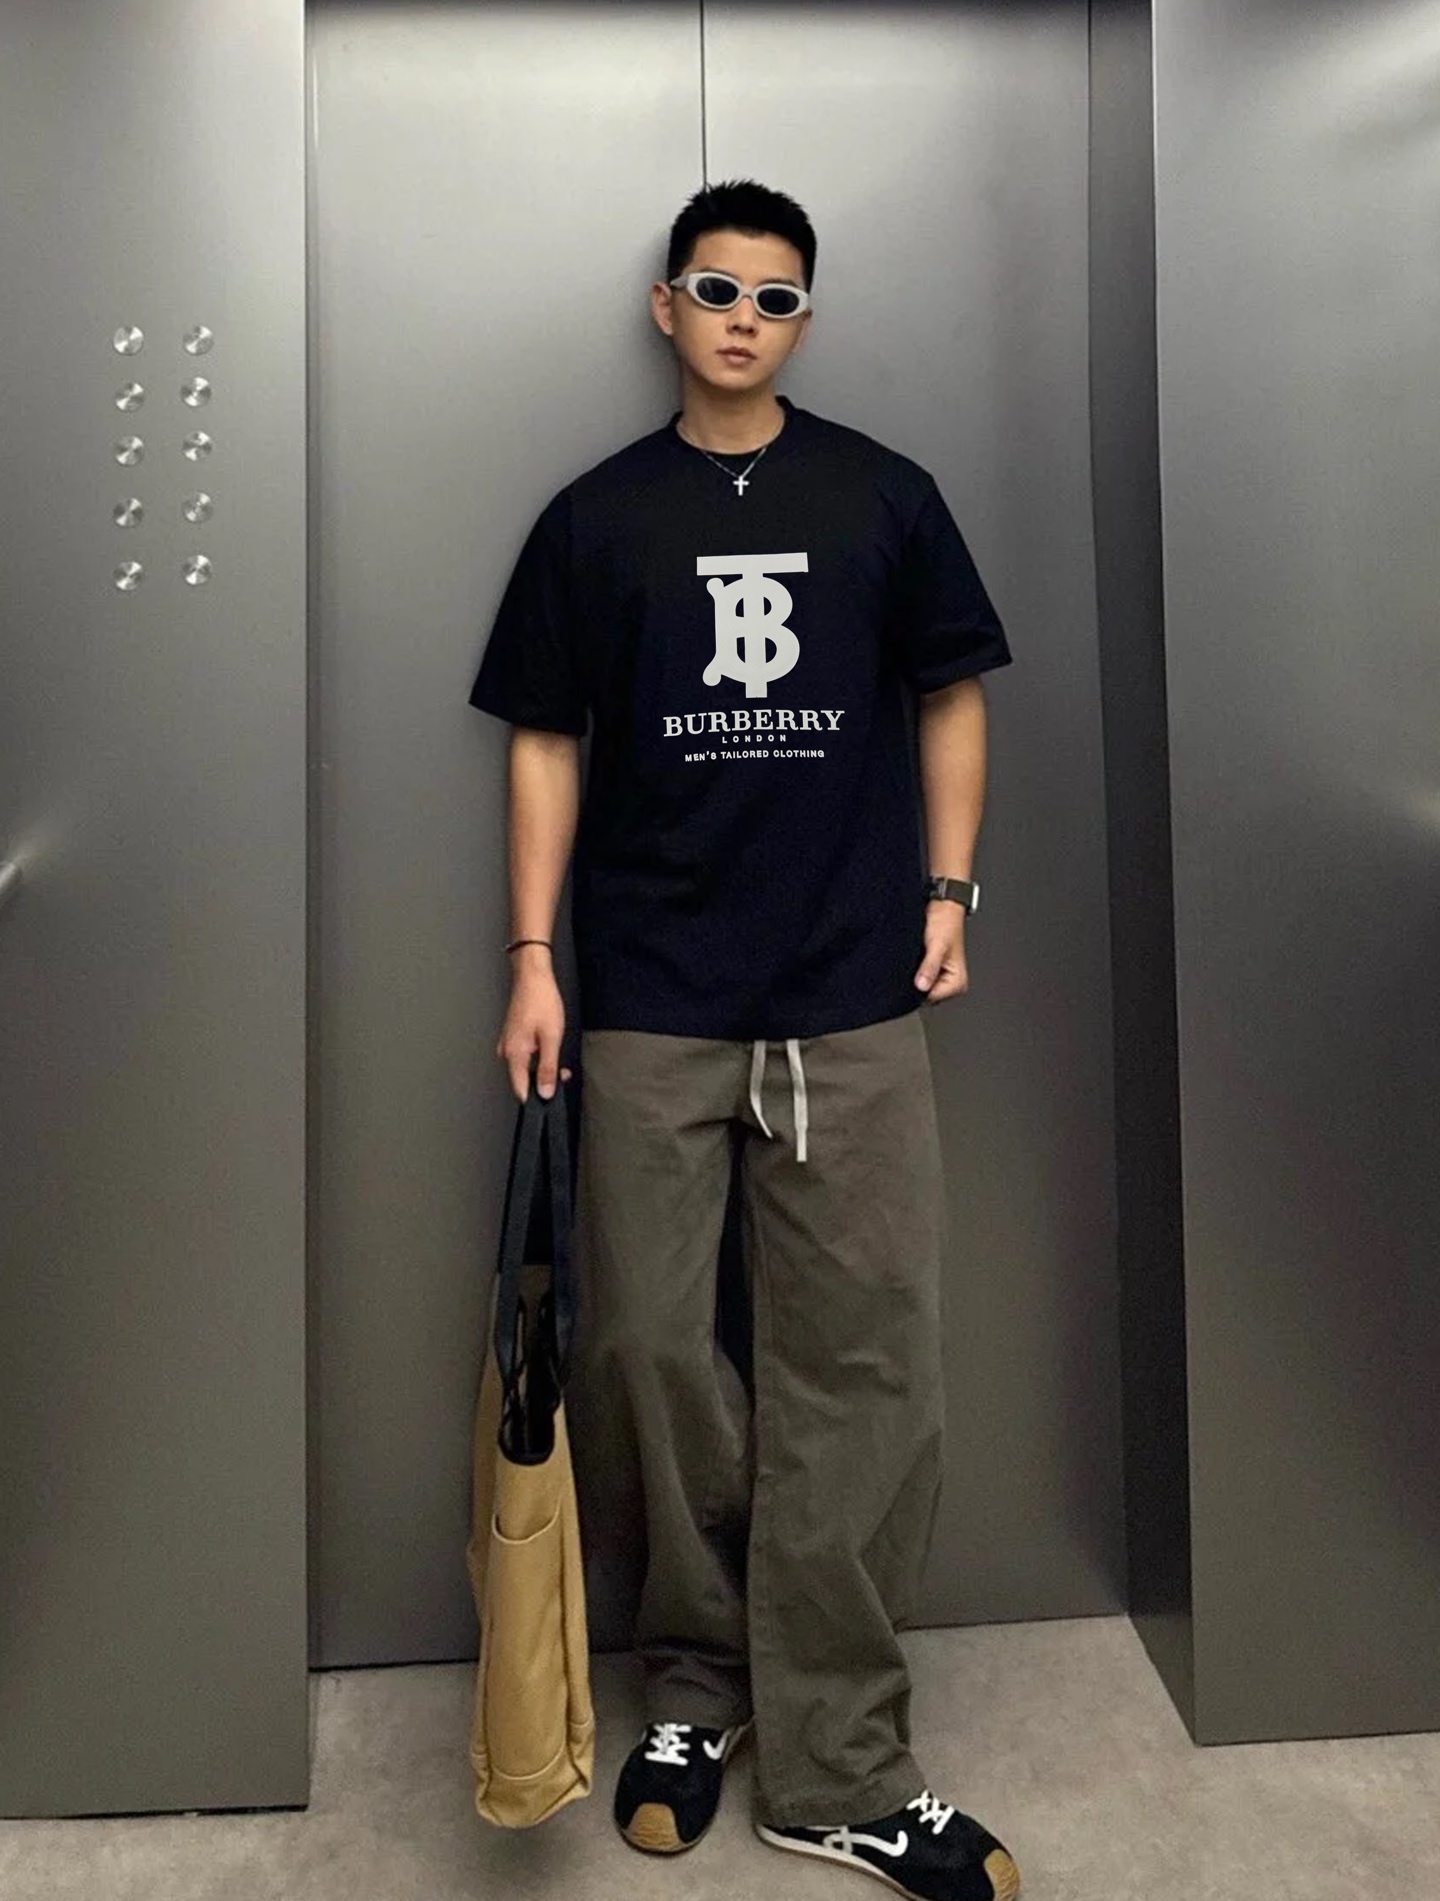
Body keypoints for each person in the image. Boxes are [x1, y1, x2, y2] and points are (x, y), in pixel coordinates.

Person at [468, 179, 1018, 1901]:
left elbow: (951, 689)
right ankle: (696, 1690)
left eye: (776, 298)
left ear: (803, 322)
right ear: (666, 306)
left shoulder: (884, 494)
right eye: (715, 289)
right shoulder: (595, 518)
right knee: (646, 1351)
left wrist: (950, 888)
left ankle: (842, 1755)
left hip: (851, 994)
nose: (742, 320)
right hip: (649, 997)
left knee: (868, 1365)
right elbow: (543, 735)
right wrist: (535, 955)